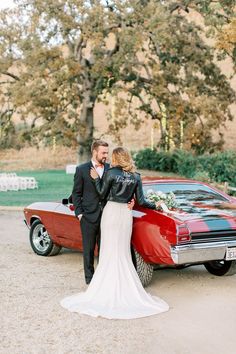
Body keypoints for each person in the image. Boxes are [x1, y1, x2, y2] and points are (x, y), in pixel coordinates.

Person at [61, 147, 169, 319]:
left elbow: (102, 194)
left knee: (109, 250)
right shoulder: (136, 176)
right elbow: (141, 201)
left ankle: (106, 286)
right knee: (122, 251)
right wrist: (156, 205)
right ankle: (127, 288)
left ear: (117, 158)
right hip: (126, 215)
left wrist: (96, 180)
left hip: (111, 213)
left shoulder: (111, 173)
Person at [72, 140, 134, 285]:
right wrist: (80, 214)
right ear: (95, 152)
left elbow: (122, 187)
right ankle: (89, 280)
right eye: (103, 152)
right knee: (88, 249)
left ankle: (102, 279)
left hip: (108, 216)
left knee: (106, 249)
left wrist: (131, 201)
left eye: (107, 152)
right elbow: (76, 193)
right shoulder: (81, 169)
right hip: (88, 216)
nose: (106, 155)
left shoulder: (111, 168)